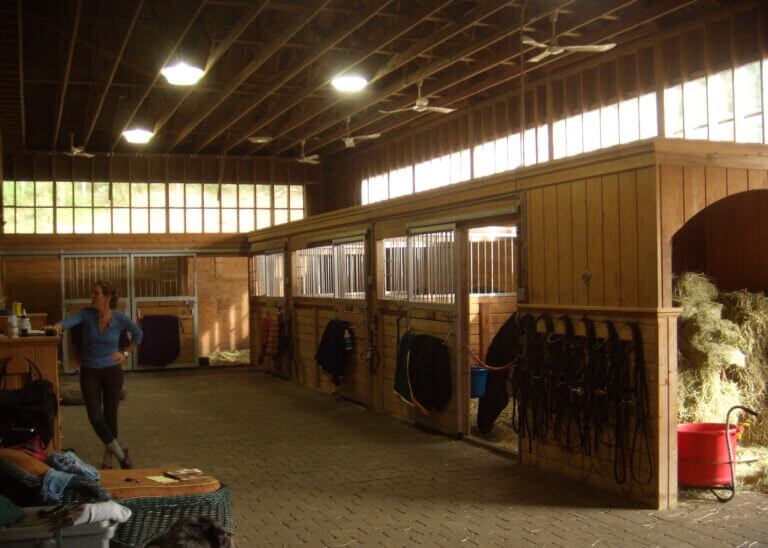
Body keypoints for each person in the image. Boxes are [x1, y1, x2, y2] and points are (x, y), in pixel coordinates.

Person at [46, 281, 142, 470]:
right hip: (90, 371)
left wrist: (125, 353)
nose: (92, 296)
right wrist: (56, 327)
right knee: (95, 416)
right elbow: (67, 323)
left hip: (112, 372)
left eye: (95, 293)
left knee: (110, 415)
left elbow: (138, 334)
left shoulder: (120, 318)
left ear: (106, 297)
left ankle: (108, 460)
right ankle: (122, 455)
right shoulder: (86, 314)